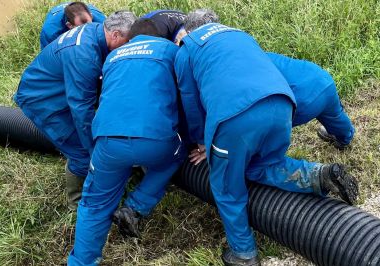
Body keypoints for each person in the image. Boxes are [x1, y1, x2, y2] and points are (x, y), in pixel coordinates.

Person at [175, 9, 359, 266]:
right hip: (282, 103)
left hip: (234, 116)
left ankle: (243, 253)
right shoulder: (241, 36)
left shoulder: (188, 48)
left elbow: (191, 103)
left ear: (188, 30)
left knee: (227, 188)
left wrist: (202, 140)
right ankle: (319, 175)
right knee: (263, 165)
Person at [67, 19, 184, 265]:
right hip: (156, 141)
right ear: (159, 38)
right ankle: (137, 205)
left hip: (109, 142)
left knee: (94, 204)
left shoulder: (112, 57)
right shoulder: (171, 51)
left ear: (129, 39)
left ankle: (82, 262)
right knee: (180, 151)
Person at [14, 11, 136, 210]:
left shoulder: (96, 30)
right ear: (114, 34)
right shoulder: (84, 56)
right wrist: (94, 150)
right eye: (128, 41)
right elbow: (81, 110)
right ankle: (76, 201)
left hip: (62, 87)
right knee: (81, 149)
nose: (129, 46)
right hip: (43, 98)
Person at [267, 52, 355, 149]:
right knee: (335, 116)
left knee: (269, 130)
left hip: (302, 100)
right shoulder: (263, 54)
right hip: (323, 80)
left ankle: (266, 159)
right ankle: (345, 137)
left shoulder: (252, 69)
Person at [40, 2, 106, 49]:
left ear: (91, 16)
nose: (87, 31)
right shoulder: (51, 33)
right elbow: (49, 57)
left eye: (89, 26)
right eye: (81, 28)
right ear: (69, 25)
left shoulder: (102, 23)